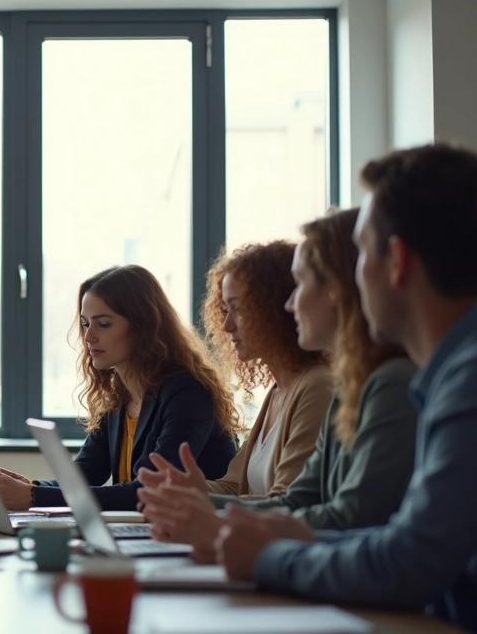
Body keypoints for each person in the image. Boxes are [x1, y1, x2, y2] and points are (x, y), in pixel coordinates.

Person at [215, 144, 477, 631]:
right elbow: (394, 539)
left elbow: (409, 559)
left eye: (360, 258)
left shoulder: (465, 380)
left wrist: (272, 554)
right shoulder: (447, 374)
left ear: (396, 260)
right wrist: (270, 536)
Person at [137, 208, 418, 561]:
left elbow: (348, 517)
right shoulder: (340, 386)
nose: (290, 304)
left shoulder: (343, 385)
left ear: (336, 289)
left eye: (299, 287)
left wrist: (219, 525)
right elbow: (299, 500)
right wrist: (196, 501)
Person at [0, 265, 240, 511]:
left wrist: (34, 497)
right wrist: (27, 486)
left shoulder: (187, 394)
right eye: (86, 324)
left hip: (198, 535)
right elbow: (85, 474)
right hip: (149, 531)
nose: (88, 337)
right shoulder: (118, 395)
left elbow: (147, 491)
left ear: (144, 327)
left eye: (103, 324)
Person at [197, 241, 333, 499]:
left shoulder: (317, 386)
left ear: (276, 308)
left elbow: (287, 501)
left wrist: (197, 501)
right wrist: (180, 490)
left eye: (239, 309)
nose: (226, 326)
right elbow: (232, 486)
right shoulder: (277, 391)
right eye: (225, 310)